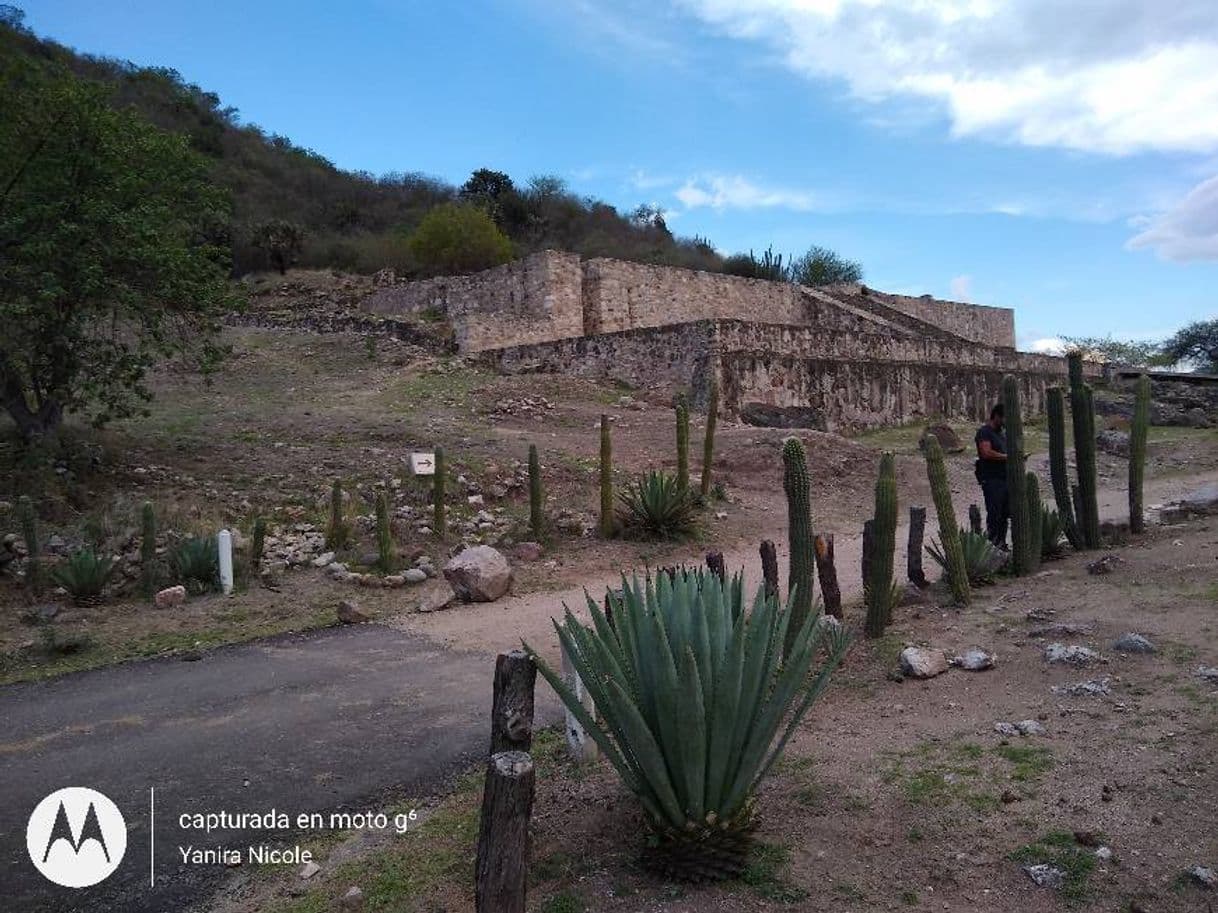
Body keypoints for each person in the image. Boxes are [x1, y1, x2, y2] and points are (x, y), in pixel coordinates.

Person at [975, 403, 1009, 548]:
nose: (1006, 422)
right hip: (992, 479)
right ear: (996, 416)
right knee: (994, 513)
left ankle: (1002, 543)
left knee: (1004, 514)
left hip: (1005, 479)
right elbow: (986, 452)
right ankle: (993, 545)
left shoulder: (1002, 434)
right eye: (1004, 418)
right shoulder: (985, 432)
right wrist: (1008, 457)